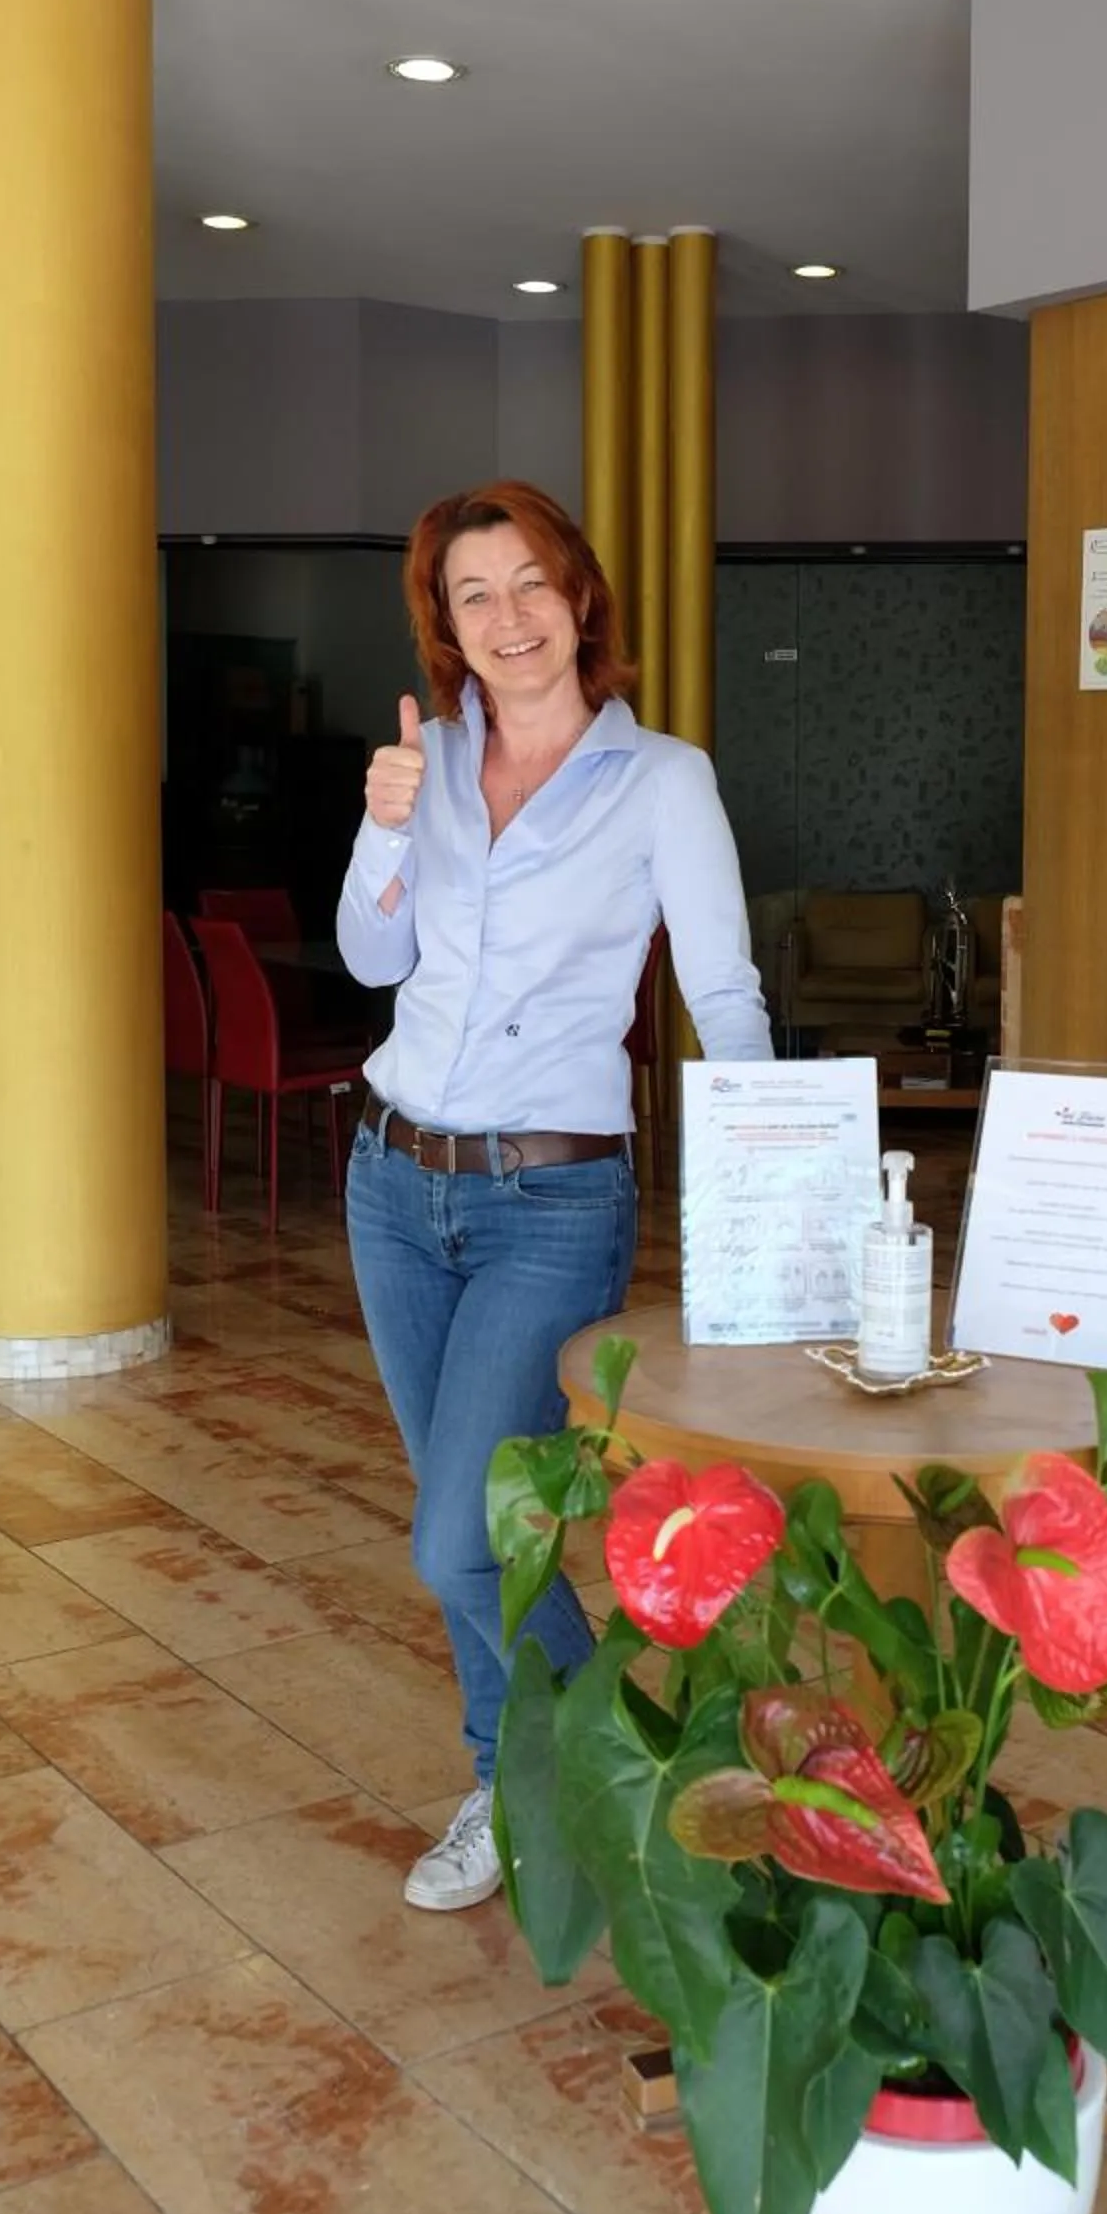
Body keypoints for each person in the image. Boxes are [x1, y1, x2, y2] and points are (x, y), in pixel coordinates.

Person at [337, 480, 772, 1911]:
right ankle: (511, 1786)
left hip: (548, 1204)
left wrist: (772, 1184)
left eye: (530, 583)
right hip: (394, 1182)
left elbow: (721, 987)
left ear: (580, 597)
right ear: (444, 626)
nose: (508, 617)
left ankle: (644, 1781)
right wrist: (385, 828)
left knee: (461, 1536)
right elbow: (367, 962)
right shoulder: (427, 767)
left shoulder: (663, 783)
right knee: (484, 1537)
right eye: (474, 595)